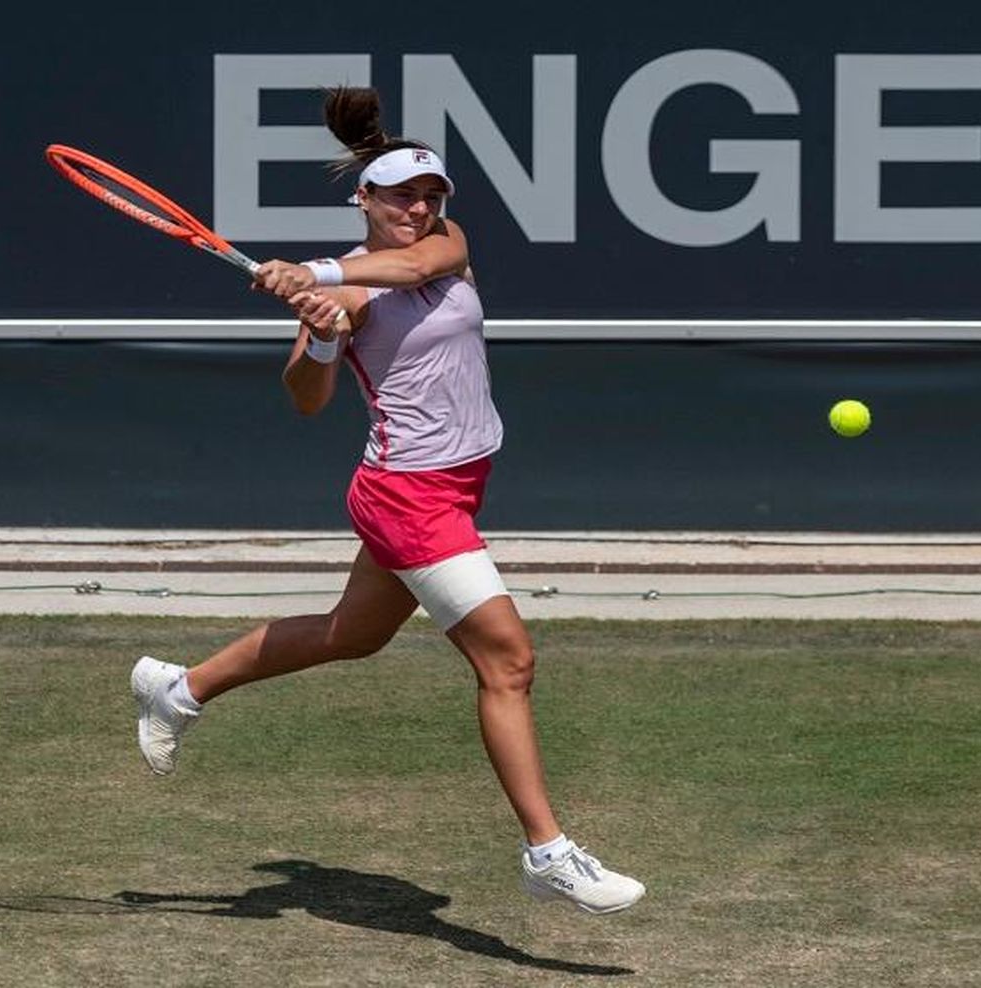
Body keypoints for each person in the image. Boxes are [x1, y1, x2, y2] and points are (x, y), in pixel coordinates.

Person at [130, 86, 644, 916]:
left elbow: (414, 267)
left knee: (350, 636)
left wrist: (317, 271)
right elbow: (305, 399)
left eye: (432, 195)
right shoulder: (348, 296)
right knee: (508, 661)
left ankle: (178, 690)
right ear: (363, 198)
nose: (420, 209)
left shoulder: (444, 247)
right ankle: (547, 851)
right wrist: (324, 330)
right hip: (408, 496)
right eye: (403, 195)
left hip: (454, 483)